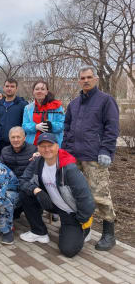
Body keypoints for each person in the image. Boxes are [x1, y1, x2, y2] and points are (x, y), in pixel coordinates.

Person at [62, 65, 119, 251]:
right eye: (82, 78)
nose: (85, 80)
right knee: (78, 194)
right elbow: (67, 129)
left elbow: (112, 129)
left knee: (99, 195)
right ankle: (84, 228)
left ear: (95, 79)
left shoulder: (105, 101)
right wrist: (65, 151)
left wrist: (106, 151)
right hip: (75, 158)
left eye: (89, 77)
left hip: (95, 157)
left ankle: (109, 234)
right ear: (79, 81)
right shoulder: (74, 104)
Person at [19, 133, 95, 257]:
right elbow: (22, 181)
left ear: (57, 146)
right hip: (52, 203)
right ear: (37, 148)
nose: (47, 149)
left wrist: (82, 218)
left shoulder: (68, 168)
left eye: (50, 145)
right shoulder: (38, 162)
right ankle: (39, 232)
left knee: (68, 250)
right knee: (25, 194)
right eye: (42, 146)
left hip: (72, 212)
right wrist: (36, 190)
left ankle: (84, 229)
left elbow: (85, 198)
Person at [23, 80, 65, 147]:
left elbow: (62, 125)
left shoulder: (57, 106)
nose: (39, 91)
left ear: (46, 92)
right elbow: (24, 126)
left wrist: (51, 125)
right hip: (32, 145)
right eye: (37, 89)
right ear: (33, 92)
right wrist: (35, 127)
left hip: (51, 145)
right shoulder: (28, 108)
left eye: (42, 89)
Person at [0, 79, 28, 154]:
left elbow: (25, 124)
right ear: (3, 88)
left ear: (16, 88)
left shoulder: (23, 105)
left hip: (18, 143)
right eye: (7, 86)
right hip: (2, 144)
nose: (9, 88)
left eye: (12, 86)